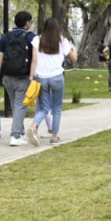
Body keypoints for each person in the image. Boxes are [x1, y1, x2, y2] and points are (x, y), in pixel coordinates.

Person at [28, 17, 78, 146]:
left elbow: (34, 60)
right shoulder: (62, 41)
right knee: (56, 108)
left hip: (41, 77)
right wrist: (73, 48)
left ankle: (34, 126)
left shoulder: (37, 40)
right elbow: (74, 59)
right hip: (57, 76)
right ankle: (54, 136)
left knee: (44, 108)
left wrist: (31, 76)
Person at [0, 11, 35, 145]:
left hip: (7, 76)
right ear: (27, 23)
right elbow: (35, 58)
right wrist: (32, 76)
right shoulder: (31, 37)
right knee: (20, 106)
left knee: (14, 104)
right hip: (23, 76)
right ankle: (15, 135)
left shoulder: (5, 37)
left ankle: (20, 132)